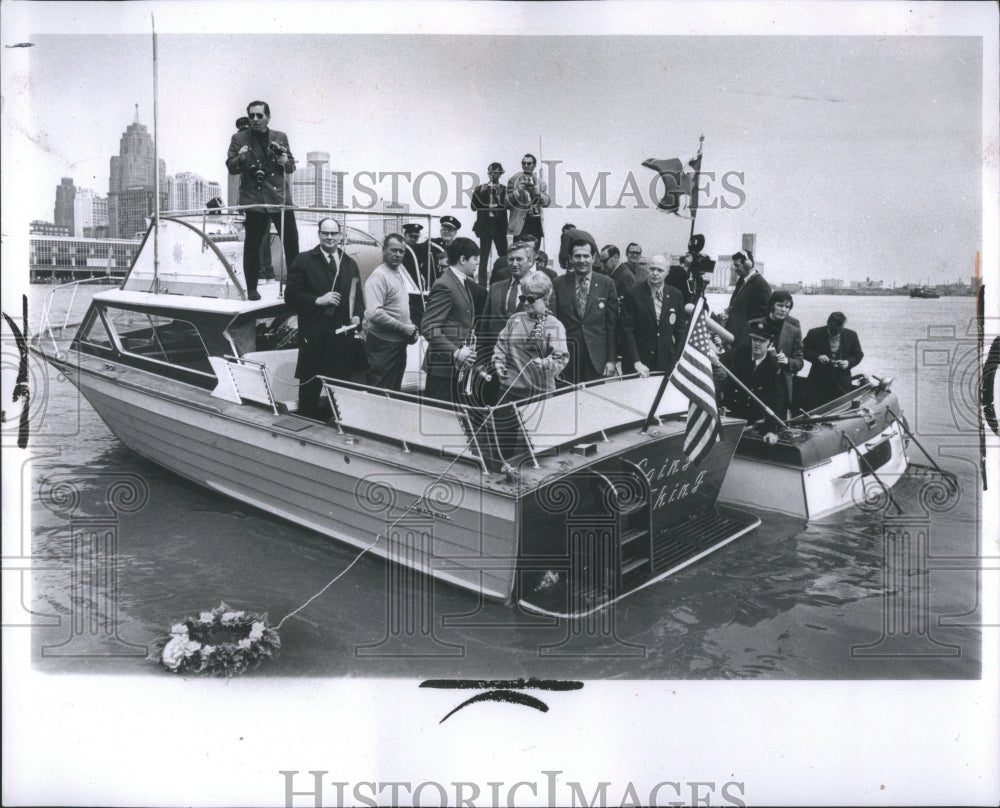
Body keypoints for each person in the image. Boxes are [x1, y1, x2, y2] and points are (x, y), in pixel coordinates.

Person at [285, 218, 366, 418]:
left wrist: (357, 315)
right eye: (325, 233)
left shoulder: (350, 264)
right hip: (314, 341)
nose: (330, 237)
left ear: (340, 235)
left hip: (341, 344)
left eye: (333, 233)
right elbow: (291, 297)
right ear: (319, 234)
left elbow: (358, 299)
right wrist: (318, 300)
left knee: (339, 399)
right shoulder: (303, 261)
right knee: (308, 398)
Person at [226, 100, 299, 300]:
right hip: (255, 198)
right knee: (252, 245)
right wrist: (240, 158)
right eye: (252, 116)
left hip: (279, 199)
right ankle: (251, 289)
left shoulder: (280, 137)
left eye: (259, 116)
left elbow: (291, 166)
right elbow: (231, 167)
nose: (255, 120)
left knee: (292, 243)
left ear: (268, 117)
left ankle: (294, 288)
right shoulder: (239, 138)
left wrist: (285, 161)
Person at [419, 237, 483, 403]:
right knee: (440, 420)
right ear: (463, 259)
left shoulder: (461, 282)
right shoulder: (445, 285)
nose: (477, 263)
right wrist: (456, 352)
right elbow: (429, 327)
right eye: (475, 259)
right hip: (443, 369)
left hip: (454, 368)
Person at [492, 271, 569, 401]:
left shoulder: (554, 325)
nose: (526, 303)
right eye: (523, 298)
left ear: (546, 298)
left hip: (539, 393)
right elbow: (501, 347)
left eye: (531, 299)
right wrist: (498, 362)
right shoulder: (514, 319)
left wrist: (545, 363)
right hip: (509, 389)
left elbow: (561, 358)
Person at [552, 238, 619, 384]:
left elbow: (612, 325)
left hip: (596, 358)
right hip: (566, 358)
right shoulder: (558, 284)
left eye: (586, 256)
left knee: (593, 403)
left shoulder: (606, 283)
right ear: (570, 258)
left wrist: (611, 360)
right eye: (577, 256)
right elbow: (553, 323)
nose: (582, 260)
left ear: (594, 258)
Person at [363, 234, 420, 391]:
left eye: (401, 251)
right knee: (379, 390)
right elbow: (374, 313)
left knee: (393, 391)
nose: (398, 255)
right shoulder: (378, 276)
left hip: (397, 345)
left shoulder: (396, 273)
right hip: (383, 345)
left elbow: (396, 308)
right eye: (394, 250)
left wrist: (410, 327)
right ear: (383, 250)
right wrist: (403, 328)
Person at [620, 254, 686, 376]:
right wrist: (636, 361)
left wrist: (679, 359)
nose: (655, 273)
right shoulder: (633, 294)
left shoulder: (676, 295)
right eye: (652, 269)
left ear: (667, 272)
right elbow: (627, 331)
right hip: (638, 363)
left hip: (665, 362)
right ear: (648, 269)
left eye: (660, 270)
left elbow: (680, 332)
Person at [721, 320, 786, 437]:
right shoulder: (741, 352)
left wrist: (770, 429)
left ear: (770, 344)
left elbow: (774, 399)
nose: (757, 344)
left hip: (751, 419)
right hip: (731, 411)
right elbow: (722, 360)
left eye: (762, 341)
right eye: (755, 339)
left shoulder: (773, 367)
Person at [746, 290, 804, 417]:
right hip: (754, 382)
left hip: (779, 386)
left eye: (787, 307)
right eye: (780, 305)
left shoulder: (794, 328)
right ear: (772, 305)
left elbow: (799, 362)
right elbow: (743, 352)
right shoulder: (753, 324)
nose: (784, 310)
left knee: (776, 423)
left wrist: (787, 361)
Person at [803, 311, 864, 409]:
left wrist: (848, 363)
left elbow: (858, 355)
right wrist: (817, 357)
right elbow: (803, 351)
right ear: (828, 324)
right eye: (834, 329)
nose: (837, 332)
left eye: (840, 329)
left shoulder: (852, 335)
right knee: (815, 409)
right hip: (818, 381)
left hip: (842, 383)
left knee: (842, 409)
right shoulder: (814, 333)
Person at [470, 162, 508, 285]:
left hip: (499, 227)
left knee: (504, 256)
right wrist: (479, 193)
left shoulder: (504, 189)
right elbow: (473, 207)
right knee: (483, 258)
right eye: (490, 172)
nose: (492, 175)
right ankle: (481, 286)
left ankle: (505, 281)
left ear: (500, 174)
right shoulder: (480, 188)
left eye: (495, 172)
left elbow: (507, 206)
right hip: (485, 226)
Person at [724, 249, 771, 341]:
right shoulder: (741, 281)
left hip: (744, 338)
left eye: (737, 265)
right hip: (733, 336)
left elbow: (761, 317)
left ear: (748, 264)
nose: (735, 268)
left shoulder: (761, 286)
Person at [506, 153, 550, 243]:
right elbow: (506, 203)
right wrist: (518, 191)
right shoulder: (513, 180)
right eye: (523, 163)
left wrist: (538, 194)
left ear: (534, 165)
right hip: (520, 225)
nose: (526, 166)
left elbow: (546, 203)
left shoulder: (540, 183)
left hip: (535, 223)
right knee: (519, 252)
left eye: (529, 163)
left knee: (534, 253)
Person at [401, 223, 435, 294]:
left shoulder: (419, 249)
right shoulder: (399, 248)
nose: (413, 239)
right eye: (410, 236)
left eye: (416, 237)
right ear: (405, 235)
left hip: (415, 284)